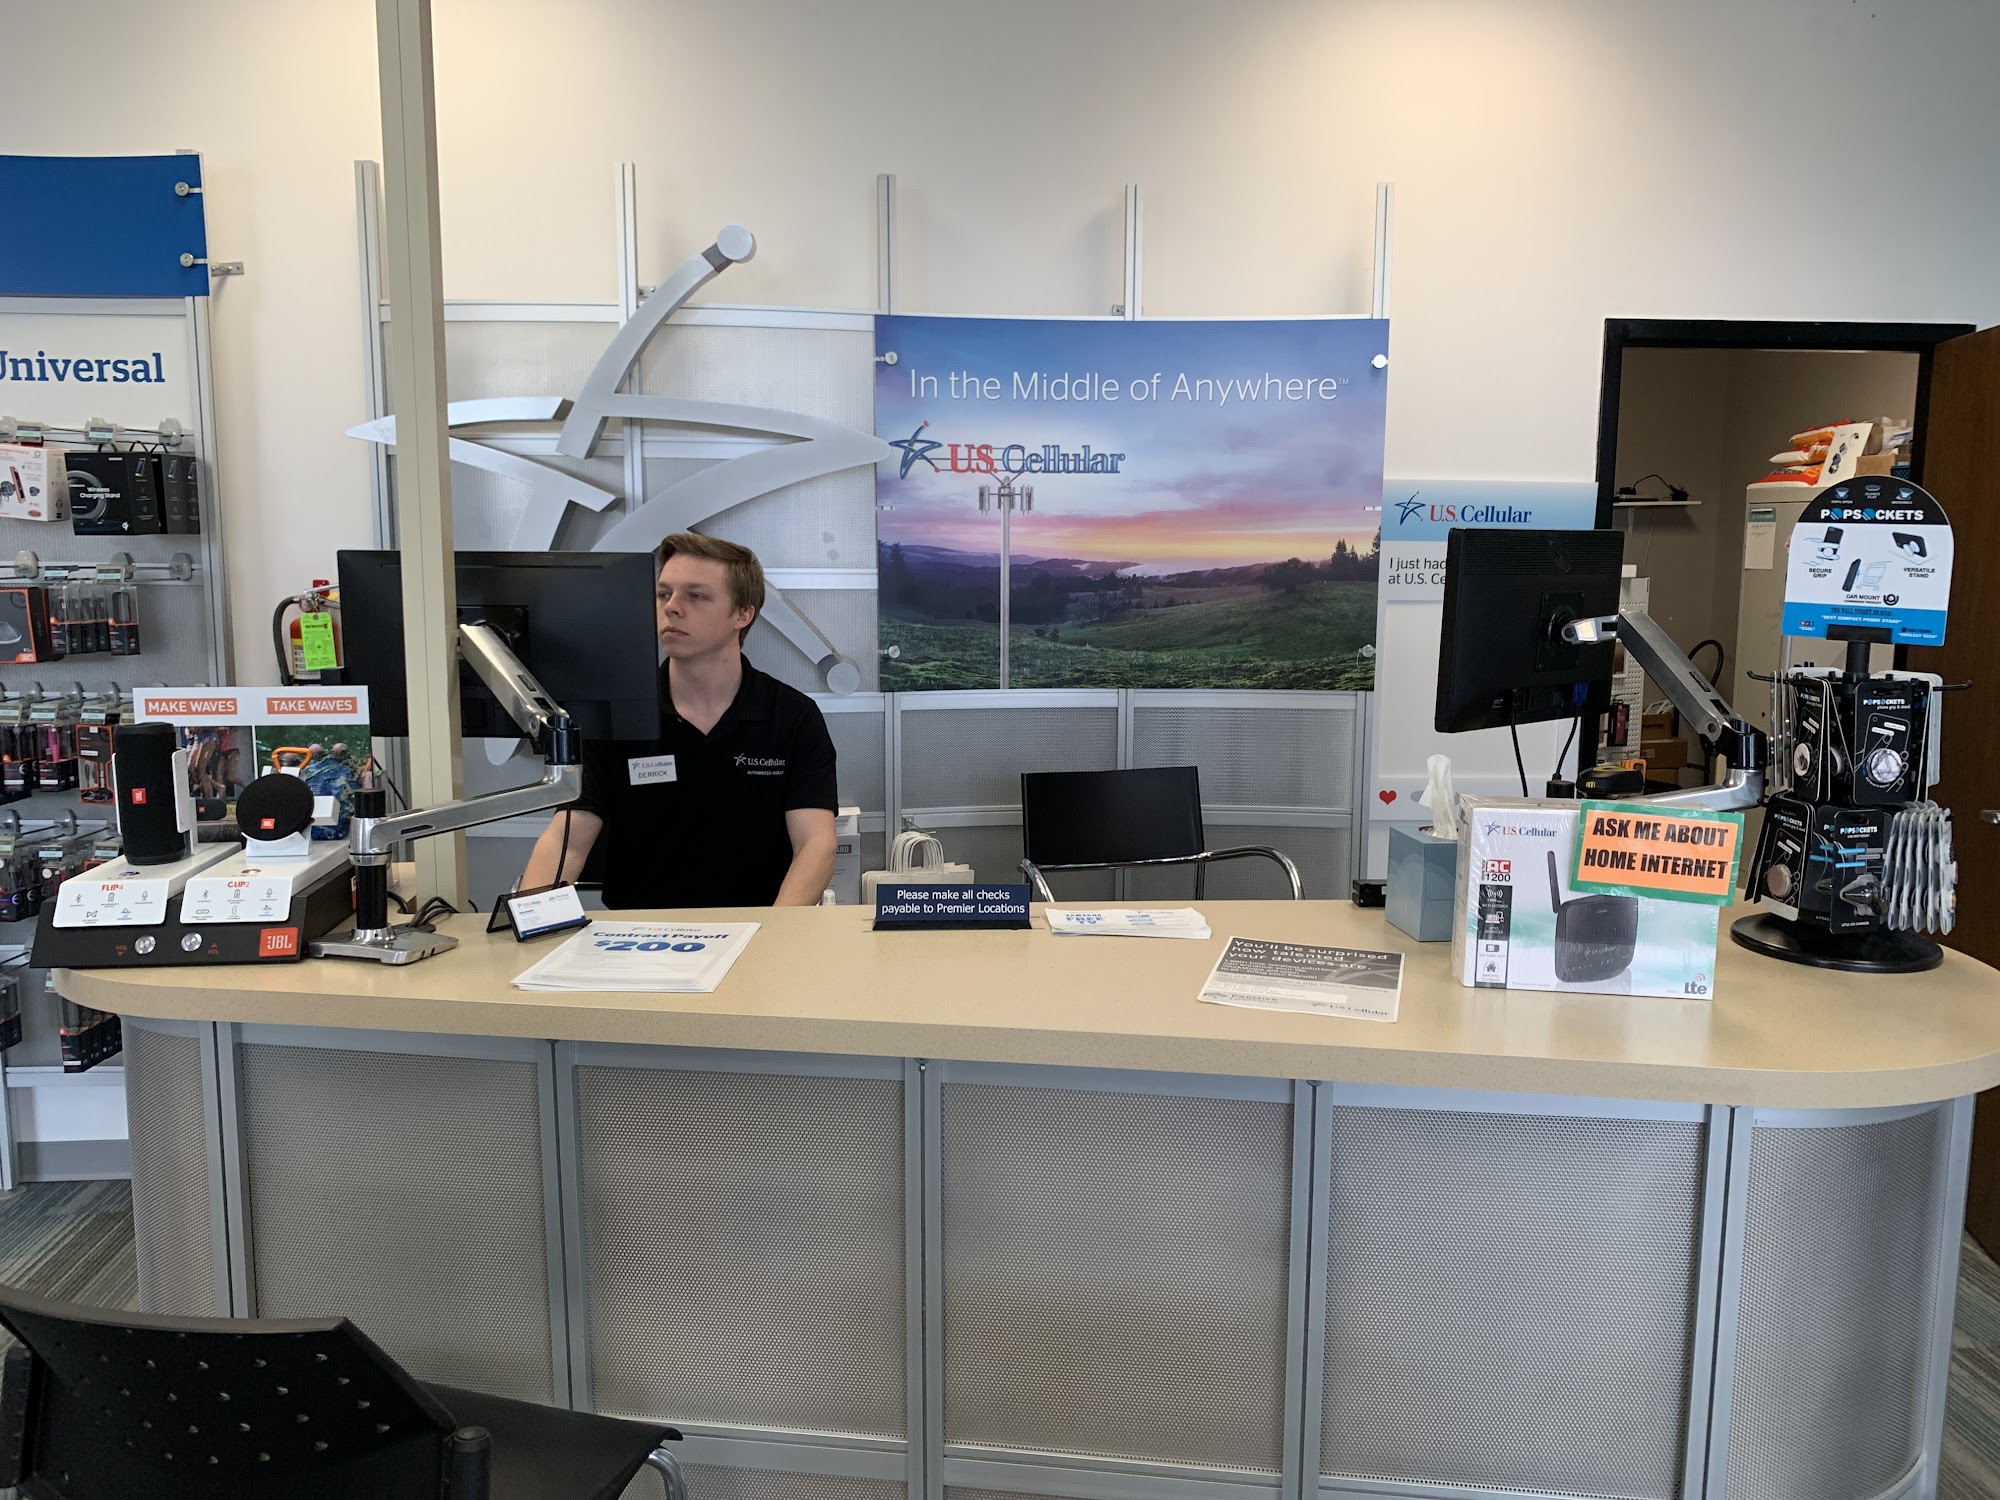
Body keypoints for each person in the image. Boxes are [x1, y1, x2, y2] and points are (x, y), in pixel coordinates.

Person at [519, 533, 839, 907]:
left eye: (695, 596)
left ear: (742, 614)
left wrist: (776, 931)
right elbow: (569, 838)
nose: (671, 607)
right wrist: (531, 919)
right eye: (663, 594)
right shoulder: (616, 714)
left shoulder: (791, 716)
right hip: (639, 934)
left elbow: (815, 845)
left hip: (757, 927)